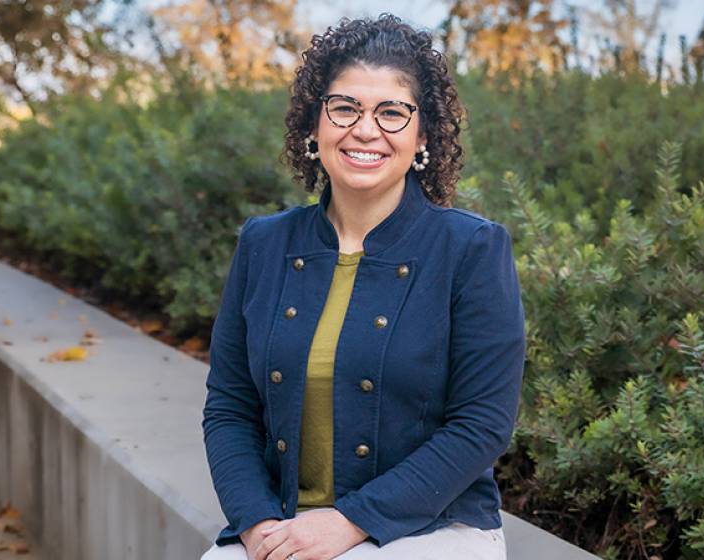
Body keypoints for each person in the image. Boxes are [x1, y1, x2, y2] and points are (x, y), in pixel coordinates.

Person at [201, 13, 525, 560]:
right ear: (314, 125)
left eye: (392, 112)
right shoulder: (264, 244)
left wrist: (351, 521)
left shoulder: (471, 250)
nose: (365, 129)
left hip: (432, 529)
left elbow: (481, 426)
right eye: (345, 107)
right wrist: (255, 524)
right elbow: (229, 407)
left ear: (422, 135)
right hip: (283, 524)